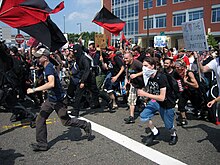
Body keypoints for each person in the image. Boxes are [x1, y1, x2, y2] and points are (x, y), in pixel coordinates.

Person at [27, 48, 92, 151]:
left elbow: (51, 83)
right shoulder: (48, 66)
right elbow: (57, 66)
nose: (37, 59)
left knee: (66, 122)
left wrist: (34, 89)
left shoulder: (48, 68)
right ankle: (42, 144)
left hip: (59, 101)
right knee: (40, 119)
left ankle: (85, 125)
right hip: (51, 99)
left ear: (44, 58)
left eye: (38, 57)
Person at [137, 56, 178, 146]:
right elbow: (153, 90)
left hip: (167, 104)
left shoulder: (161, 77)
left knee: (169, 126)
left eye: (146, 65)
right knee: (144, 116)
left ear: (152, 66)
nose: (144, 68)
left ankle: (173, 135)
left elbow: (162, 97)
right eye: (143, 66)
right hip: (155, 102)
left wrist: (145, 94)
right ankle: (155, 132)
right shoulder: (149, 76)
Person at [123, 51, 144, 124]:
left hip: (142, 84)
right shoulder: (127, 64)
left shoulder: (137, 63)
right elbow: (127, 73)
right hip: (133, 84)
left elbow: (146, 70)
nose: (125, 60)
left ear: (131, 58)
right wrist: (127, 81)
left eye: (126, 58)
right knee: (131, 100)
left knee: (146, 99)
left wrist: (136, 75)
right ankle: (131, 117)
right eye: (124, 58)